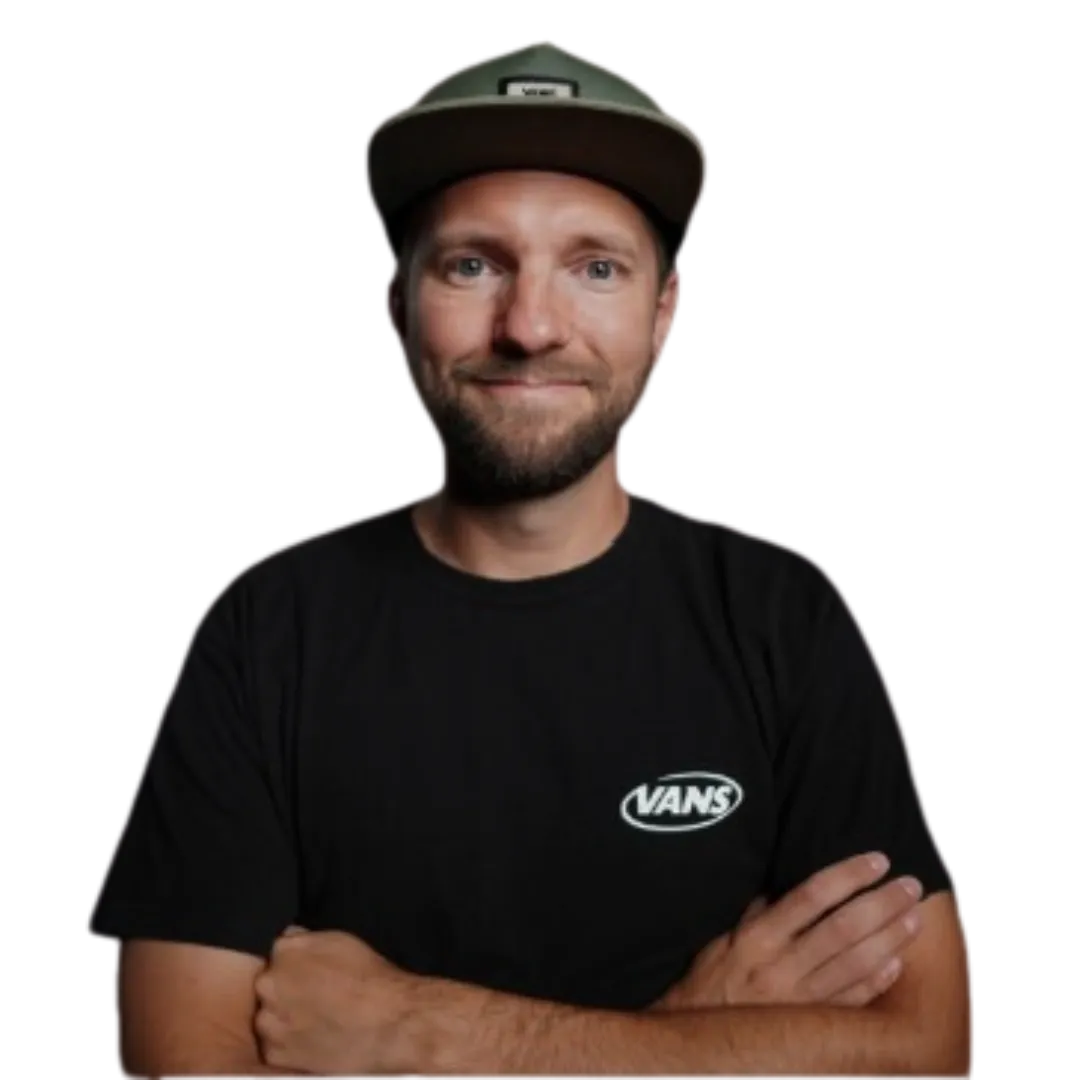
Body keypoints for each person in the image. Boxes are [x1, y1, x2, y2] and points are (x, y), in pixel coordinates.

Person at [86, 35, 972, 1077]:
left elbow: (926, 1051)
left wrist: (426, 1031)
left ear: (665, 315)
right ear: (395, 308)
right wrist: (699, 1029)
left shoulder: (784, 615)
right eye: (473, 265)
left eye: (596, 268)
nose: (531, 326)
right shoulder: (265, 630)